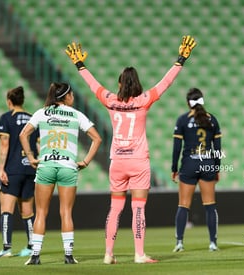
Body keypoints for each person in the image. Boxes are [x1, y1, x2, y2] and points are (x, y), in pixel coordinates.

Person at [65, 35, 197, 264]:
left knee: (115, 208)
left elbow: (92, 84)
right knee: (138, 209)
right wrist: (180, 60)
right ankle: (139, 254)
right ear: (137, 84)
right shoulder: (144, 100)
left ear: (119, 84)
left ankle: (108, 254)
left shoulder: (109, 100)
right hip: (138, 161)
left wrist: (80, 65)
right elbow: (165, 83)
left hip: (117, 161)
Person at [19, 82, 102, 265]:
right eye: (72, 94)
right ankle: (69, 255)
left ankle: (35, 256)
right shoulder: (76, 114)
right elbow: (97, 138)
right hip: (68, 167)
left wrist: (31, 157)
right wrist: (85, 162)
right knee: (66, 212)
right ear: (67, 96)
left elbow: (23, 135)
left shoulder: (42, 112)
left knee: (40, 213)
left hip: (46, 165)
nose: (73, 97)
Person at [171, 88, 222, 253]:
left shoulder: (183, 120)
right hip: (207, 163)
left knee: (183, 205)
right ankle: (213, 243)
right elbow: (218, 147)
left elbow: (177, 148)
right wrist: (217, 167)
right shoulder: (212, 120)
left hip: (189, 165)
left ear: (188, 102)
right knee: (210, 205)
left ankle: (179, 242)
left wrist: (174, 168)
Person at [0, 86, 39, 258]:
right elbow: (39, 146)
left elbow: (4, 143)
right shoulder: (32, 118)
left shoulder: (6, 117)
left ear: (9, 101)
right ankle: (31, 246)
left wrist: (1, 168)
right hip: (30, 169)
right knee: (28, 210)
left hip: (12, 169)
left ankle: (6, 249)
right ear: (23, 101)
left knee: (7, 209)